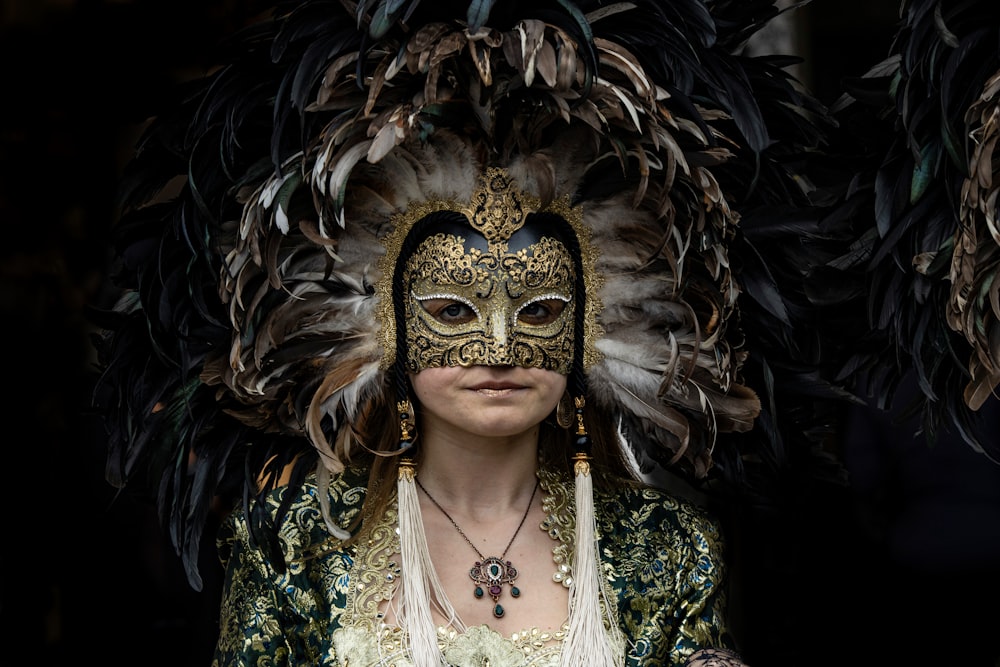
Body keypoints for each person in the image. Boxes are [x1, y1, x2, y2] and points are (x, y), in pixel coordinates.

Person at [92, 0, 837, 665]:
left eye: (540, 309)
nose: (502, 348)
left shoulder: (670, 550)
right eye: (452, 310)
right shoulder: (294, 546)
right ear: (382, 325)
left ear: (594, 328)